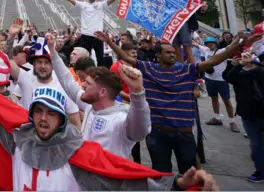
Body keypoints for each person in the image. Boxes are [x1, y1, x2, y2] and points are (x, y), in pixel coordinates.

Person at [0, 55, 219, 191]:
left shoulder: (79, 155)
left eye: (51, 113)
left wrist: (179, 186)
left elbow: (124, 182)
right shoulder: (19, 140)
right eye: (38, 112)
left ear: (61, 119)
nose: (43, 119)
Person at [100, 30, 261, 174]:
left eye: (173, 52)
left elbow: (214, 61)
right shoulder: (149, 69)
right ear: (158, 56)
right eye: (168, 52)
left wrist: (238, 45)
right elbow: (126, 57)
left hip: (184, 132)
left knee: (189, 174)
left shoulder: (187, 70)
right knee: (161, 174)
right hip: (158, 132)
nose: (172, 55)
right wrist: (109, 42)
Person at [50, 44, 151, 159]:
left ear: (102, 92)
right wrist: (52, 51)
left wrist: (137, 92)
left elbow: (141, 130)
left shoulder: (121, 119)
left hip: (109, 176)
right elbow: (67, 81)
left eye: (88, 83)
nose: (82, 85)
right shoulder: (90, 106)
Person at [6, 19, 81, 128]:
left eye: (47, 62)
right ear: (33, 64)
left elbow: (76, 124)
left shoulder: (64, 84)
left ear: (53, 64)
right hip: (29, 139)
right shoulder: (26, 77)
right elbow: (8, 61)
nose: (43, 66)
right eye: (39, 62)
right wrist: (11, 37)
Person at [55, 0, 126, 68]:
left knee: (100, 58)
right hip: (86, 35)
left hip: (98, 36)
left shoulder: (101, 5)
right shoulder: (83, 5)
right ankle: (87, 75)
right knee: (86, 58)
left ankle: (100, 76)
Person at [223, 49, 264, 183]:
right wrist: (238, 64)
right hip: (249, 115)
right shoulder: (241, 75)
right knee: (256, 145)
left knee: (257, 145)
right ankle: (260, 171)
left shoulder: (259, 71)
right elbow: (228, 77)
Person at [165, 0, 208, 64]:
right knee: (175, 48)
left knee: (187, 47)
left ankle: (192, 71)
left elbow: (196, 7)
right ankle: (180, 69)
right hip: (171, 24)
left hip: (184, 23)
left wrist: (203, 9)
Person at [198, 37, 239, 132]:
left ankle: (232, 121)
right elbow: (195, 44)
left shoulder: (222, 51)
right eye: (208, 43)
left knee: (226, 100)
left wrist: (239, 37)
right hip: (209, 79)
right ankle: (217, 118)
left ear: (215, 43)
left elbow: (231, 45)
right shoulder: (205, 50)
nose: (210, 45)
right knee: (213, 98)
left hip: (221, 80)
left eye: (212, 43)